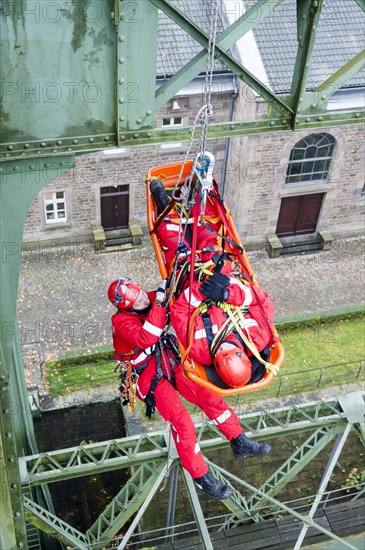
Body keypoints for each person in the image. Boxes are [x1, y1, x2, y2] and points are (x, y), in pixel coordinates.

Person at [108, 276, 272, 500]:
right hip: (147, 373)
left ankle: (238, 440)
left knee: (209, 397)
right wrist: (159, 303)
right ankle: (201, 477)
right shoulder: (121, 322)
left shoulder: (150, 298)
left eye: (141, 295)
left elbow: (177, 305)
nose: (143, 301)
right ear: (126, 307)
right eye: (137, 303)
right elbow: (146, 337)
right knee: (182, 422)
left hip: (169, 358)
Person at [150, 180, 277, 388]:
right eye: (227, 348)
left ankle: (164, 205)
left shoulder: (198, 349)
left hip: (192, 283)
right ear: (240, 354)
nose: (221, 346)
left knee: (175, 244)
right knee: (210, 237)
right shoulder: (258, 337)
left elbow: (179, 313)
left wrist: (202, 292)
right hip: (226, 278)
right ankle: (199, 196)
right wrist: (227, 293)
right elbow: (260, 299)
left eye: (219, 351)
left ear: (215, 364)